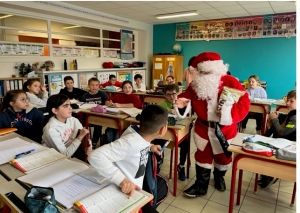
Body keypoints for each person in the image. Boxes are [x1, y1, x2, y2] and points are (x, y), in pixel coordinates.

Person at [175, 52, 250, 197]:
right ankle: (200, 186)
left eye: (205, 71)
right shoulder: (196, 84)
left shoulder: (230, 82)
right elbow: (186, 97)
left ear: (216, 69)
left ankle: (219, 177)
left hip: (225, 129)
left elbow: (244, 103)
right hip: (202, 128)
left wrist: (228, 114)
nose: (203, 75)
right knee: (202, 155)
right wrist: (181, 102)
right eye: (201, 72)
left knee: (223, 157)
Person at [88, 105, 168, 198]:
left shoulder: (139, 134)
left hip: (134, 188)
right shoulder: (130, 142)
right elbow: (95, 156)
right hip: (124, 191)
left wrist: (150, 147)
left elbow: (137, 145)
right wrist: (121, 180)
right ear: (162, 130)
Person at [259, 90, 296, 189]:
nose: (287, 103)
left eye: (291, 101)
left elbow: (282, 132)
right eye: (287, 100)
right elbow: (288, 117)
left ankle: (271, 175)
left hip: (290, 145)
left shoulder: (296, 117)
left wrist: (275, 119)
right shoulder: (294, 112)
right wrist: (279, 115)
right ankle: (267, 174)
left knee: (271, 154)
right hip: (285, 141)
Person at [42, 94, 92, 161]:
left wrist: (89, 147)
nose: (70, 108)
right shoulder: (51, 129)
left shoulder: (73, 120)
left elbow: (86, 137)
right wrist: (80, 136)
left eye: (69, 105)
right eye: (65, 106)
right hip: (53, 158)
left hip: (71, 151)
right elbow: (65, 155)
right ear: (55, 111)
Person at [157, 84, 188, 181]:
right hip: (165, 133)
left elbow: (186, 118)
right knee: (157, 142)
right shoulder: (161, 105)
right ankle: (157, 161)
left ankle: (181, 166)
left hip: (178, 133)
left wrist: (178, 112)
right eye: (168, 94)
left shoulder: (183, 104)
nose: (171, 97)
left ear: (177, 93)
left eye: (173, 94)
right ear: (165, 96)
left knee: (185, 144)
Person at [81, 77, 109, 149]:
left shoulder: (103, 94)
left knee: (98, 125)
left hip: (99, 117)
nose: (94, 87)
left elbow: (107, 104)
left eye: (96, 85)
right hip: (88, 117)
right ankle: (87, 142)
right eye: (92, 85)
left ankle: (94, 142)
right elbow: (82, 106)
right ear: (88, 86)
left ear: (99, 86)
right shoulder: (85, 96)